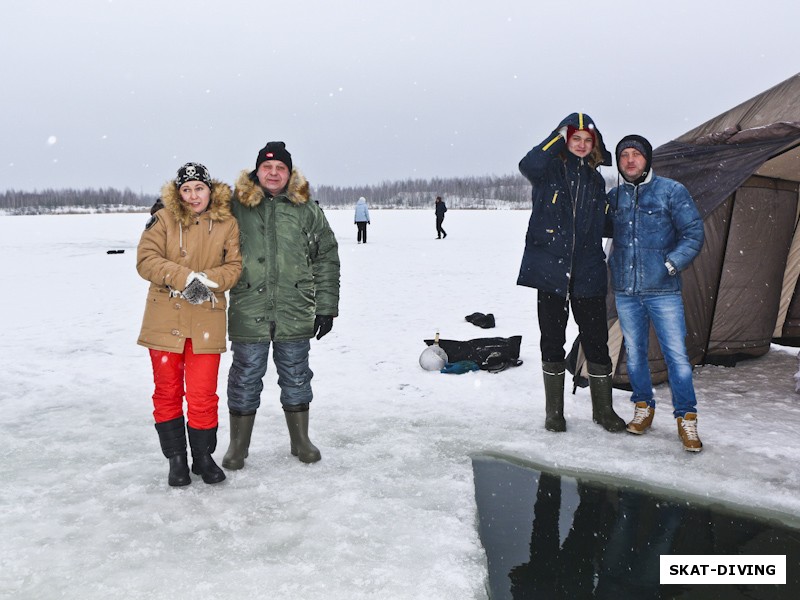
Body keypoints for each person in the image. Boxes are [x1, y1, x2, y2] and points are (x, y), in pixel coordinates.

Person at [223, 141, 340, 469]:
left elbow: (326, 256)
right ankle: (237, 445)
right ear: (257, 171)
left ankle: (300, 440)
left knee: (297, 374)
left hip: (294, 306)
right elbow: (199, 221)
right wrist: (165, 213)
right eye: (267, 168)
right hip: (249, 305)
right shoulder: (235, 205)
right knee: (245, 376)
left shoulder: (306, 207)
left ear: (289, 173)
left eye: (280, 169)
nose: (273, 173)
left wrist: (326, 306)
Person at [517, 112, 625, 433]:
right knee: (552, 341)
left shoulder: (595, 181)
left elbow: (606, 226)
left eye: (586, 140)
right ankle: (555, 412)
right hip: (551, 271)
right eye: (574, 139)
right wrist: (556, 134)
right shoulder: (548, 170)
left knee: (596, 342)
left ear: (594, 145)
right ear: (566, 140)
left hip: (589, 273)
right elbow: (528, 164)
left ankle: (603, 411)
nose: (580, 145)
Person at [137, 162, 242, 486]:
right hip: (164, 320)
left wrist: (206, 281)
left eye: (199, 188)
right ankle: (176, 459)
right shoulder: (163, 219)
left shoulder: (227, 222)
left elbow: (235, 266)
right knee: (167, 392)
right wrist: (185, 278)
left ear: (210, 190)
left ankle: (202, 456)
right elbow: (146, 259)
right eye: (186, 189)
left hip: (206, 319)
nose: (193, 195)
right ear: (178, 192)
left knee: (202, 394)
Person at [607, 135, 705, 452]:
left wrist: (670, 265)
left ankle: (686, 418)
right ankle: (643, 407)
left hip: (663, 290)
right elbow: (594, 229)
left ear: (647, 159)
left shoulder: (671, 191)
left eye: (636, 154)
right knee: (635, 355)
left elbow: (693, 233)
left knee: (676, 357)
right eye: (624, 155)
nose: (630, 160)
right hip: (626, 291)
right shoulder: (614, 197)